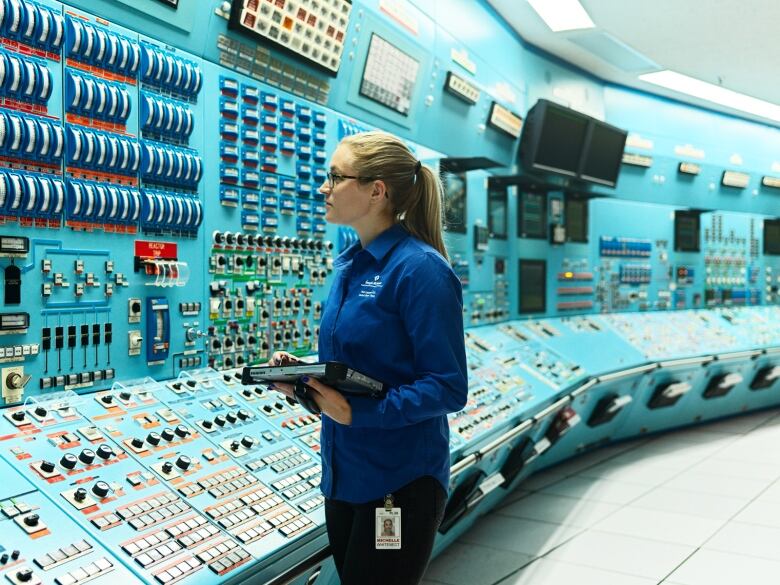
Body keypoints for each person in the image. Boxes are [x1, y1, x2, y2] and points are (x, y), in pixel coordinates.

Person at [269, 130, 468, 585]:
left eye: (336, 177)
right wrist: (303, 378)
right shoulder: (349, 264)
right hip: (344, 476)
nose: (324, 188)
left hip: (398, 482)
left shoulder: (421, 270)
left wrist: (358, 412)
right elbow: (353, 366)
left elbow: (448, 385)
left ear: (376, 190)